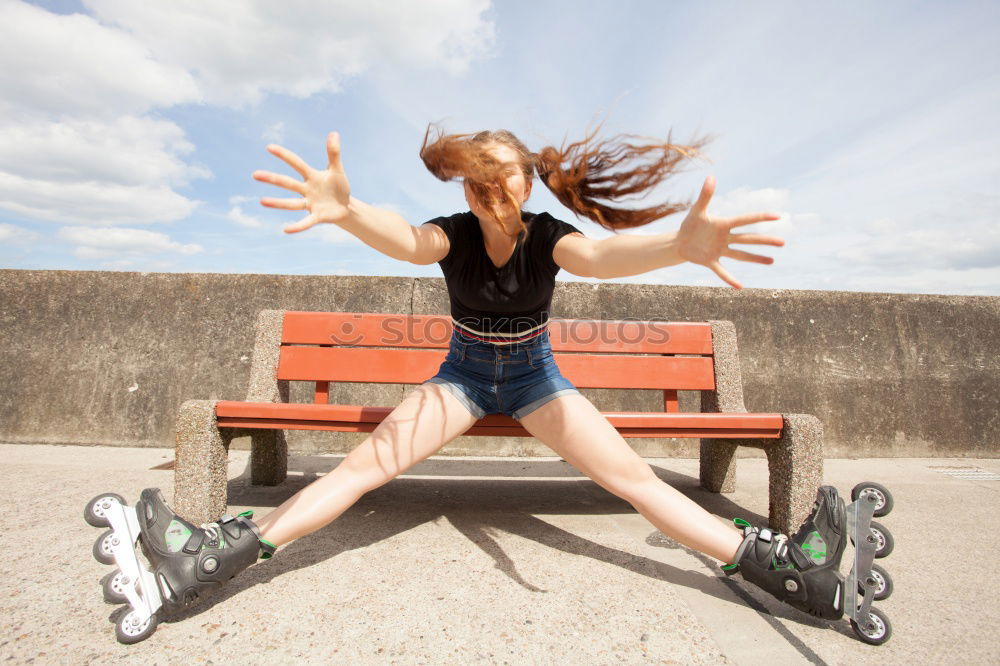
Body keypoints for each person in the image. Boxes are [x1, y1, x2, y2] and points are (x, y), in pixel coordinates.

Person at [134, 125, 851, 626]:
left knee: (633, 479)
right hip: (465, 377)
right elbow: (411, 244)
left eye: (504, 169)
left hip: (536, 379)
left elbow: (601, 260)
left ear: (528, 181)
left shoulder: (547, 237)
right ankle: (217, 559)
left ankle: (789, 571)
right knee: (360, 471)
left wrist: (679, 244)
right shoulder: (454, 231)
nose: (490, 182)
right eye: (479, 172)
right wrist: (348, 211)